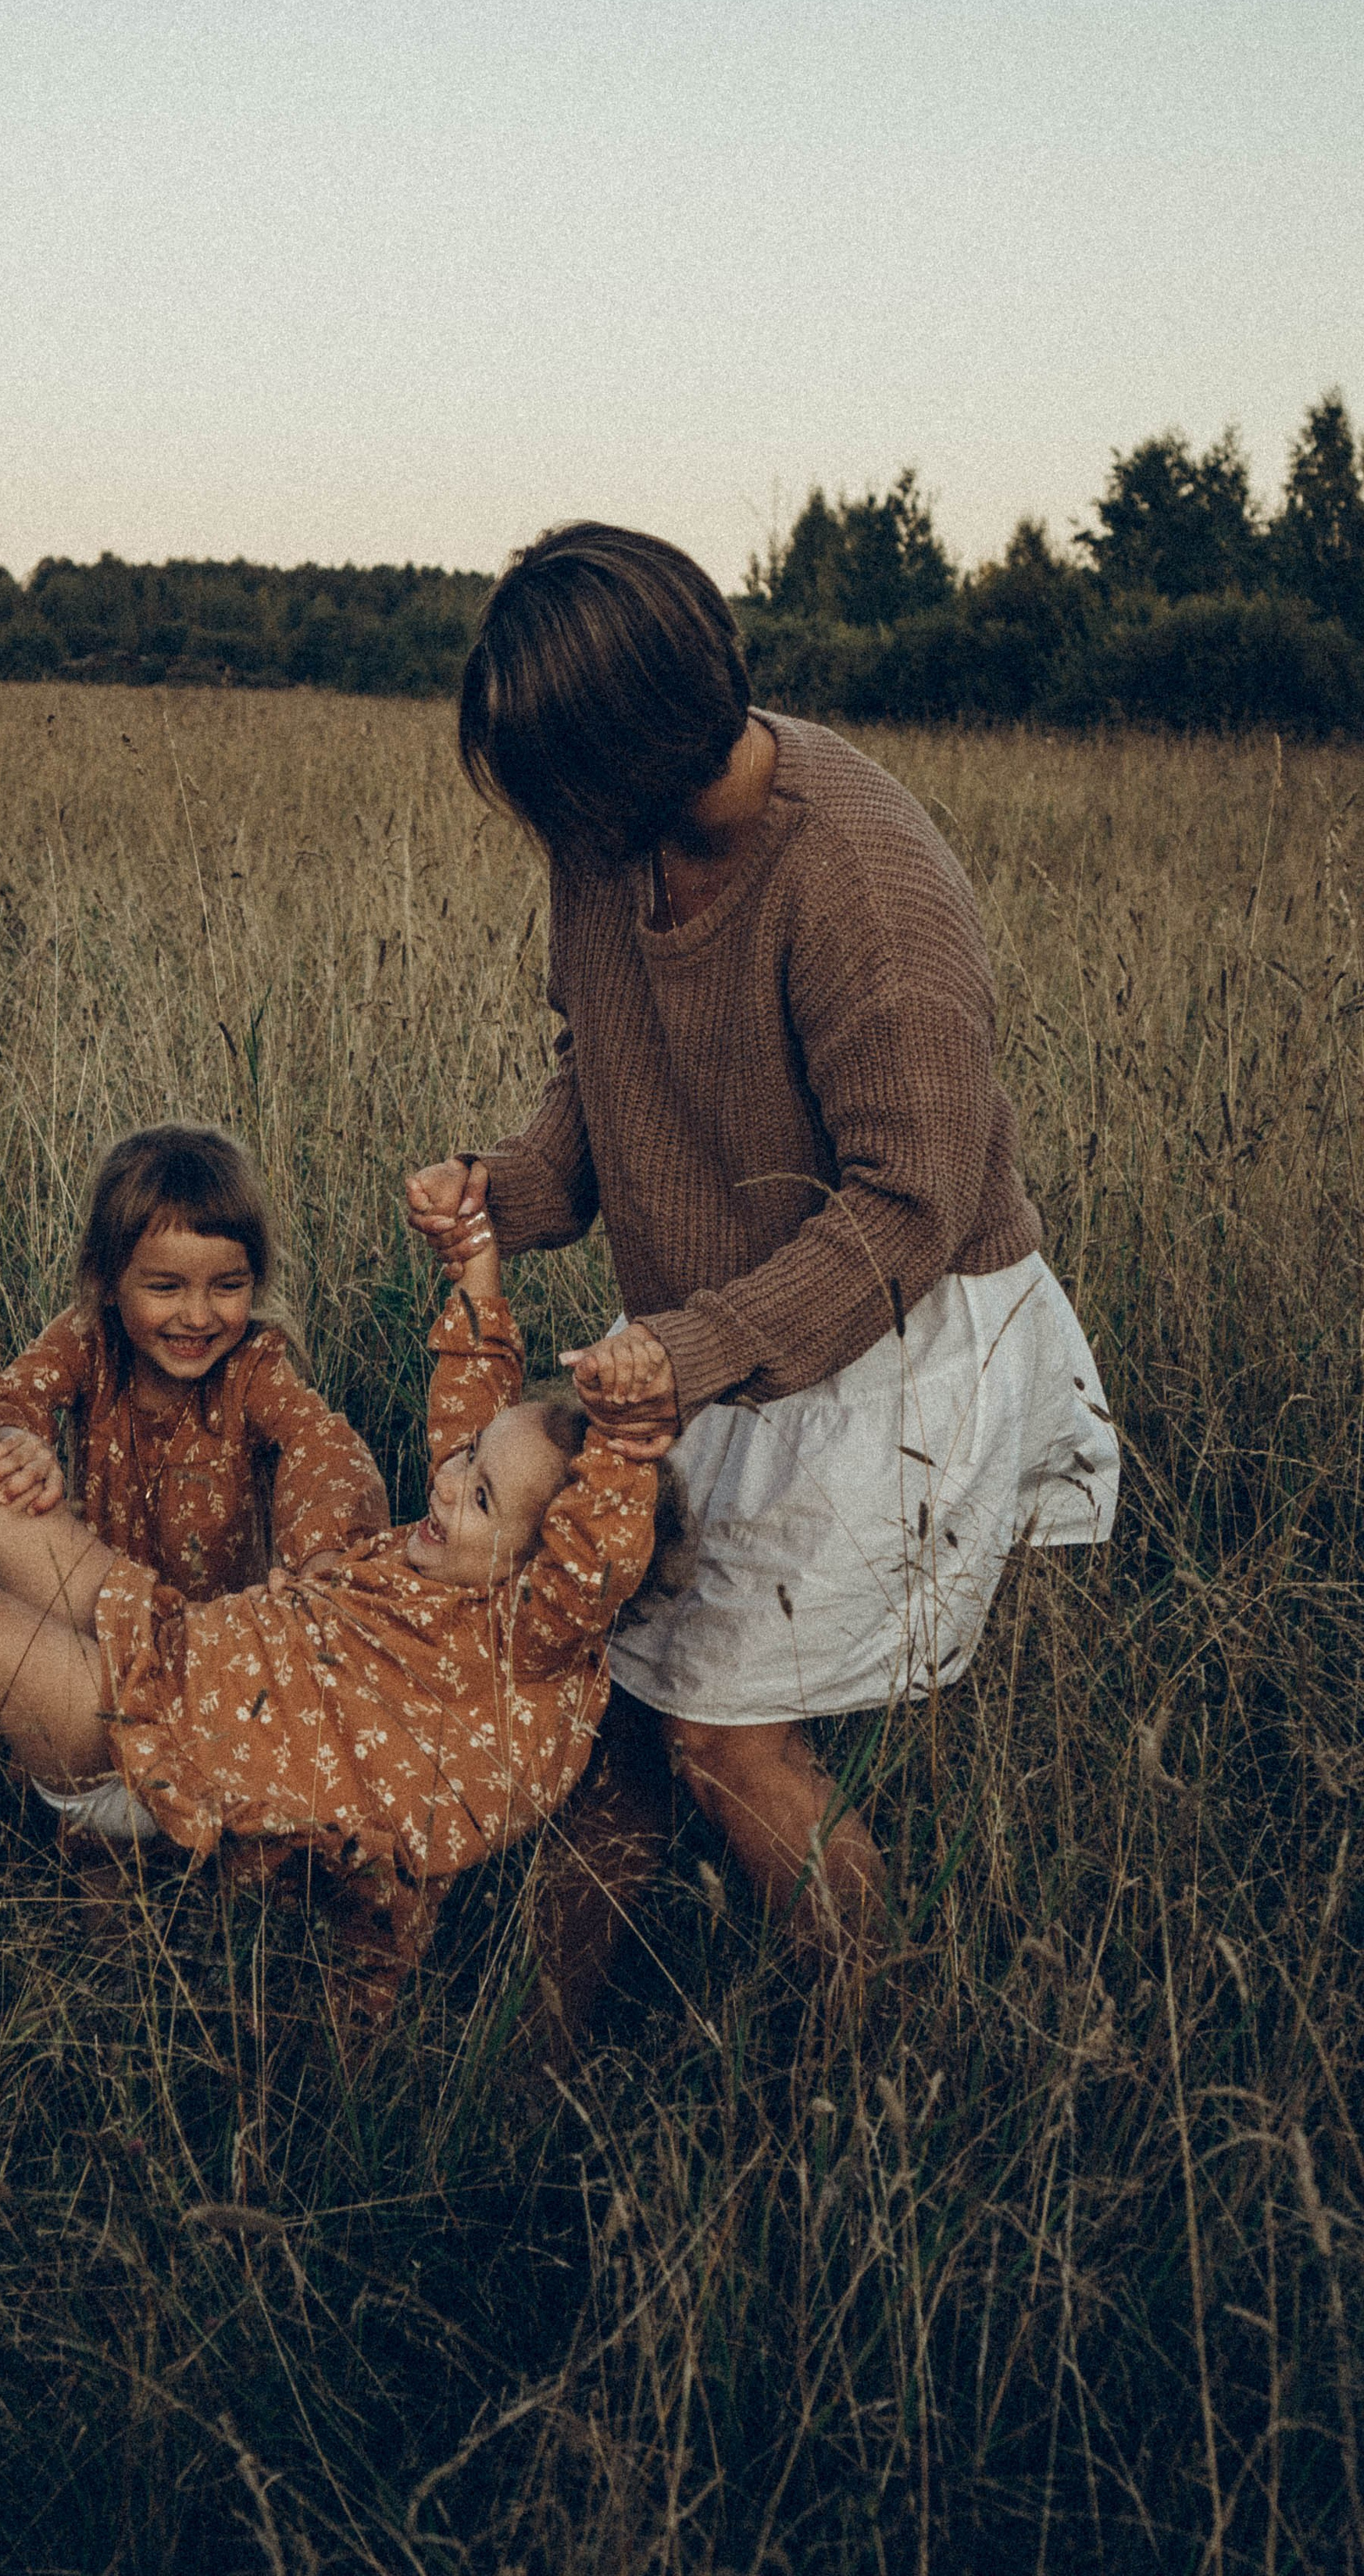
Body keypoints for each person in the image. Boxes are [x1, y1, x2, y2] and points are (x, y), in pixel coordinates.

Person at [406, 521, 1118, 2006]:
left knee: (726, 1746)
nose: (542, 828)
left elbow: (910, 1205)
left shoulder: (862, 878)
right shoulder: (611, 839)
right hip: (708, 1334)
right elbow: (599, 1060)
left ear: (628, 752)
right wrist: (514, 1189)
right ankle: (531, 2094)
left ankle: (869, 2082)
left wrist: (703, 1345)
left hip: (886, 1338)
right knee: (611, 1715)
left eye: (553, 791)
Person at [0, 1168, 670, 2022]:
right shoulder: (463, 1550)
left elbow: (592, 1550)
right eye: (463, 1461)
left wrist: (625, 1442)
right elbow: (474, 1389)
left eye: (478, 1495)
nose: (446, 1481)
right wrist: (474, 1263)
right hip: (180, 1645)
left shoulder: (528, 1632)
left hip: (152, 1746)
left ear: (552, 1570)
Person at [0, 1123, 390, 1610]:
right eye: (166, 1288)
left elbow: (322, 1444)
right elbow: (13, 1396)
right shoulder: (89, 1339)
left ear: (255, 1279)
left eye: (228, 1286)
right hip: (101, 1624)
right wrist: (20, 1443)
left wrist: (324, 1559)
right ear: (107, 1280)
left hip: (221, 1650)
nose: (197, 1317)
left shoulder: (251, 1365)